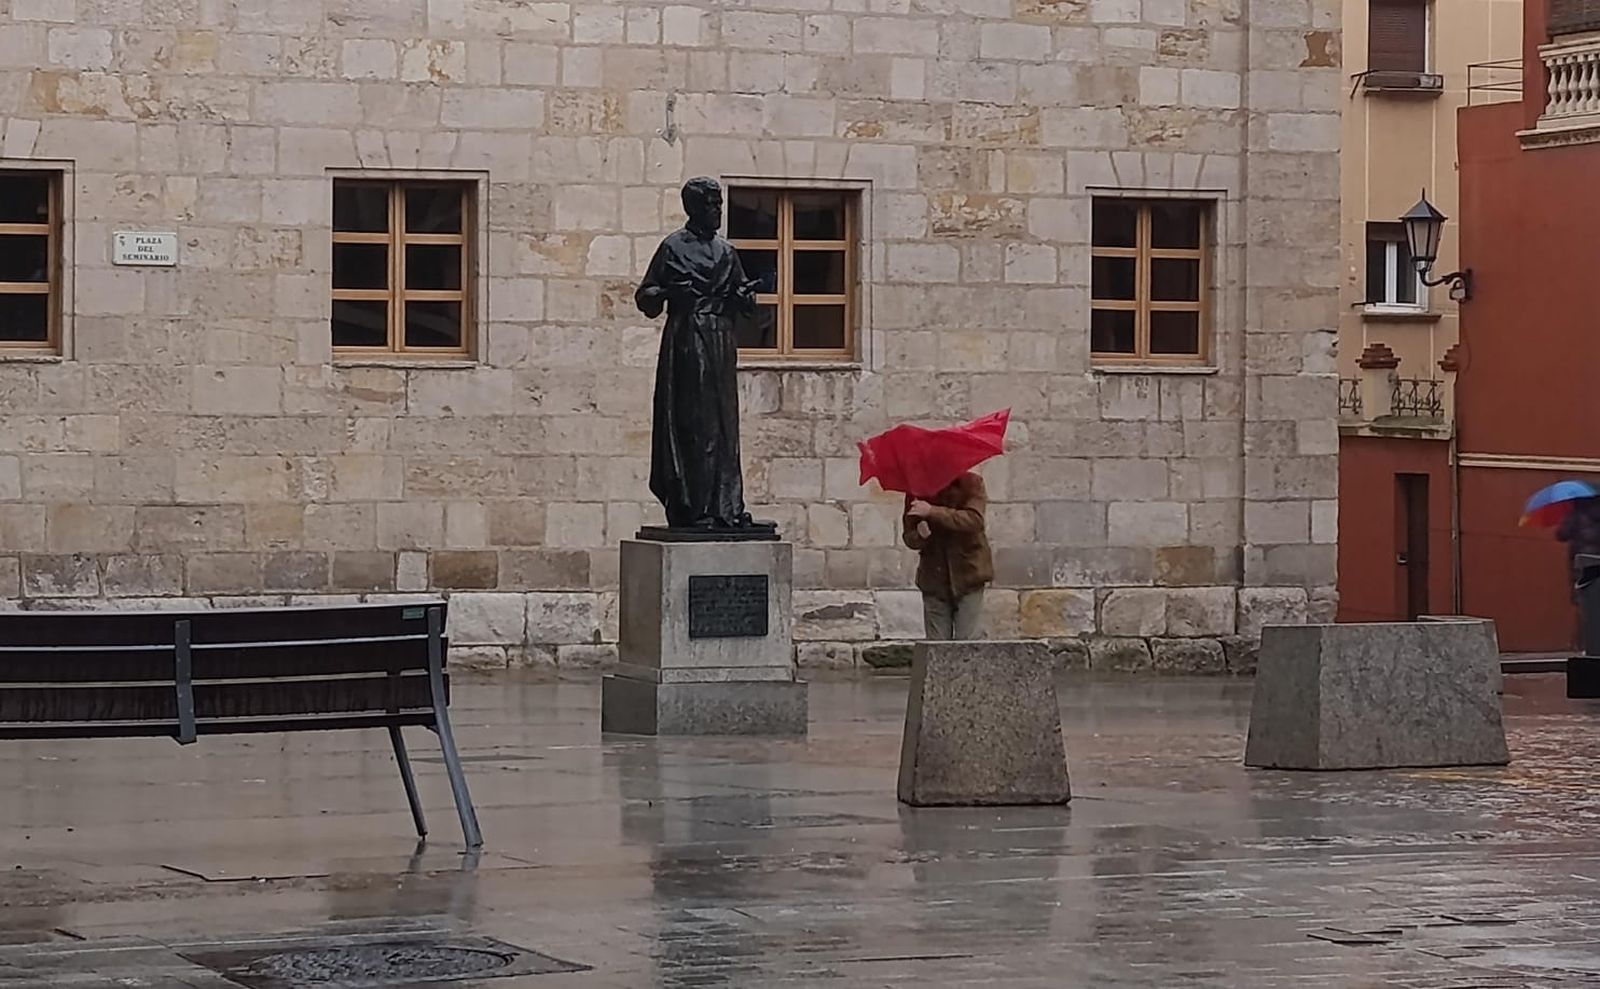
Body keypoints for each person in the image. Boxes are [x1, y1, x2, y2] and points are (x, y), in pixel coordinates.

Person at [634, 177, 762, 530]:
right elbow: (646, 296)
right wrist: (671, 292)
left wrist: (744, 298)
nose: (718, 211)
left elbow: (745, 302)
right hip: (688, 337)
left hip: (721, 338)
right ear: (694, 208)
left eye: (719, 204)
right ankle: (693, 506)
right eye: (711, 205)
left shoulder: (726, 252)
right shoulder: (673, 247)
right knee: (695, 423)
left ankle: (726, 506)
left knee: (724, 425)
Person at [902, 471, 994, 640]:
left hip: (969, 572)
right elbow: (909, 536)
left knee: (966, 643)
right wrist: (920, 535)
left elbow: (974, 520)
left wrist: (932, 511)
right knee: (936, 647)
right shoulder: (916, 490)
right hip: (934, 578)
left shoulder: (971, 483)